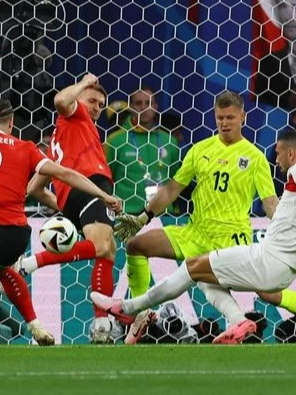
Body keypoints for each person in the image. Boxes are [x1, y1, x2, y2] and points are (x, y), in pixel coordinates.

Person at [93, 129, 296, 345]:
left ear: (291, 153)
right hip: (285, 268)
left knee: (192, 267)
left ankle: (128, 307)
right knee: (204, 273)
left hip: (266, 257)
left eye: (279, 154)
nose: (277, 160)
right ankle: (251, 321)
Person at [0, 98, 121, 349]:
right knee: (4, 270)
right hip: (16, 235)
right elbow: (64, 173)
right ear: (11, 123)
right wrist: (103, 195)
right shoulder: (25, 147)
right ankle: (36, 326)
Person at [112, 91, 279, 344]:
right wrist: (143, 217)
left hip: (230, 238)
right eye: (220, 117)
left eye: (230, 118)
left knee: (269, 294)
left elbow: (270, 203)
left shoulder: (255, 157)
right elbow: (171, 189)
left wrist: (284, 232)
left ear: (243, 117)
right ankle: (141, 315)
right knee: (136, 245)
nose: (224, 123)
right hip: (195, 232)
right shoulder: (200, 149)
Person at [16, 73, 121, 343]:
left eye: (101, 104)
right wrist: (85, 83)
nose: (96, 108)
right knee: (101, 246)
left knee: (108, 250)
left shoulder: (59, 139)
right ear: (79, 99)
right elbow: (61, 100)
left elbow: (34, 189)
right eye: (92, 101)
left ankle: (101, 324)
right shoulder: (75, 116)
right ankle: (31, 263)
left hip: (73, 198)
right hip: (91, 184)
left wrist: (63, 206)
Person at [104, 86, 181, 215]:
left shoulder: (170, 141)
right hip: (127, 213)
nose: (144, 108)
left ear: (155, 106)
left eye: (148, 103)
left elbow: (174, 178)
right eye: (138, 103)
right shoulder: (114, 141)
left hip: (163, 215)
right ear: (131, 107)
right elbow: (108, 179)